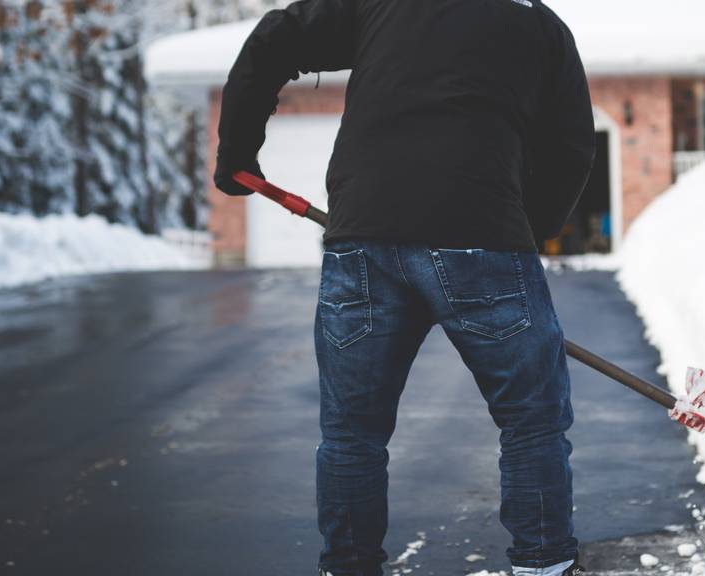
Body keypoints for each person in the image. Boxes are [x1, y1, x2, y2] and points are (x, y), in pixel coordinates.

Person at [214, 0, 595, 574]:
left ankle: (348, 566)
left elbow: (276, 36)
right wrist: (522, 234)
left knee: (351, 434)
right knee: (532, 420)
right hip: (481, 234)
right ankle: (543, 565)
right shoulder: (540, 26)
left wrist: (236, 150)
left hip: (364, 238)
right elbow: (571, 148)